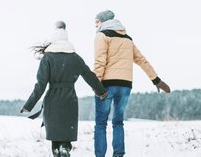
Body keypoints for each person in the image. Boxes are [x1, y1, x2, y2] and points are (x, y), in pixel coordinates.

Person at [21, 21, 107, 157]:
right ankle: (65, 149)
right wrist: (101, 92)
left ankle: (57, 151)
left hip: (52, 101)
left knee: (55, 136)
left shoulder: (47, 58)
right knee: (66, 134)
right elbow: (89, 76)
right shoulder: (75, 58)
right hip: (69, 100)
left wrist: (29, 105)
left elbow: (41, 84)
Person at [93, 10, 171, 157]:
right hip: (125, 85)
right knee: (118, 122)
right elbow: (141, 60)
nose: (95, 25)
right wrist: (156, 80)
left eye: (97, 21)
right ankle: (119, 154)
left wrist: (97, 85)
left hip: (106, 85)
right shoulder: (127, 39)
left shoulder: (101, 35)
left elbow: (99, 62)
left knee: (101, 123)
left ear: (103, 21)